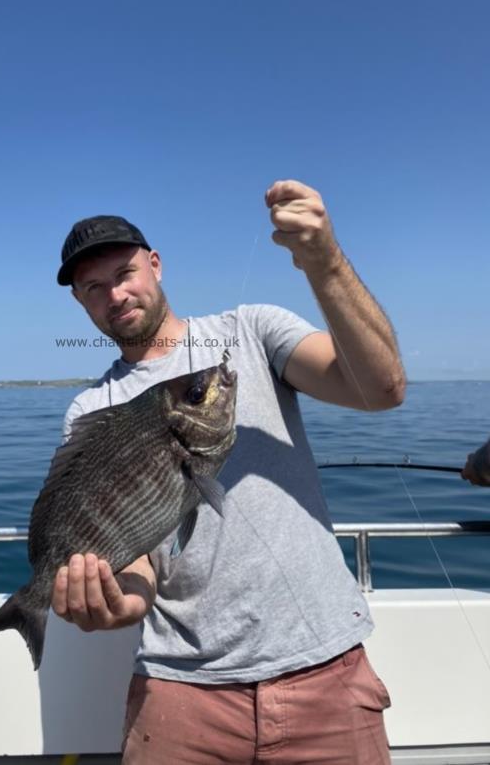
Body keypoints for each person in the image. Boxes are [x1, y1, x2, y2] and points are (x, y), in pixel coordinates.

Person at [52, 180, 405, 764]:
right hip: (179, 692)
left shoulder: (254, 329)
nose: (115, 293)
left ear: (156, 265)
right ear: (82, 304)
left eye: (124, 272)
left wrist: (325, 262)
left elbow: (381, 389)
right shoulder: (89, 413)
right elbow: (134, 552)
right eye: (94, 287)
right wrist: (122, 603)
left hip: (326, 675)